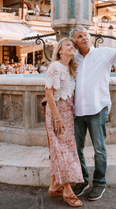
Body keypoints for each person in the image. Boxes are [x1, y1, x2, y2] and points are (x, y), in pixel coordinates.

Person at [70, 14, 116, 201]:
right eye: (79, 36)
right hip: (77, 111)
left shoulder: (103, 53)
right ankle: (82, 181)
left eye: (85, 34)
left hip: (98, 109)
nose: (84, 37)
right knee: (77, 148)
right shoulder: (73, 60)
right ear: (75, 41)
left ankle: (99, 183)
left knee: (99, 148)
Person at [44, 38, 84, 207]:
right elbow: (49, 93)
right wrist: (57, 118)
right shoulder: (55, 66)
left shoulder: (70, 68)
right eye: (68, 45)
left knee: (64, 147)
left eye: (73, 46)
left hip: (68, 113)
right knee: (61, 149)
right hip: (58, 114)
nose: (72, 47)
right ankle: (67, 189)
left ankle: (54, 186)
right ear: (59, 50)